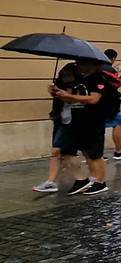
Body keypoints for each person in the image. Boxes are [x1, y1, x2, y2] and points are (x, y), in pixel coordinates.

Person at [48, 59, 111, 195]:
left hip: (94, 120)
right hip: (79, 121)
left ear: (92, 64)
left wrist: (69, 96)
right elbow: (74, 97)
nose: (79, 66)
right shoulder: (82, 78)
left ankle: (99, 182)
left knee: (94, 154)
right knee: (68, 152)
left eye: (82, 63)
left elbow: (94, 99)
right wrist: (58, 92)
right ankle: (82, 180)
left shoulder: (98, 79)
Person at [32, 64, 76, 193]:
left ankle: (85, 180)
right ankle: (51, 181)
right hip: (62, 121)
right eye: (64, 76)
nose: (67, 78)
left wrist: (66, 95)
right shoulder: (61, 86)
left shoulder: (80, 86)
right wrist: (55, 91)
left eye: (69, 76)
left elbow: (79, 101)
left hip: (76, 122)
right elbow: (61, 101)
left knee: (78, 154)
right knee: (56, 151)